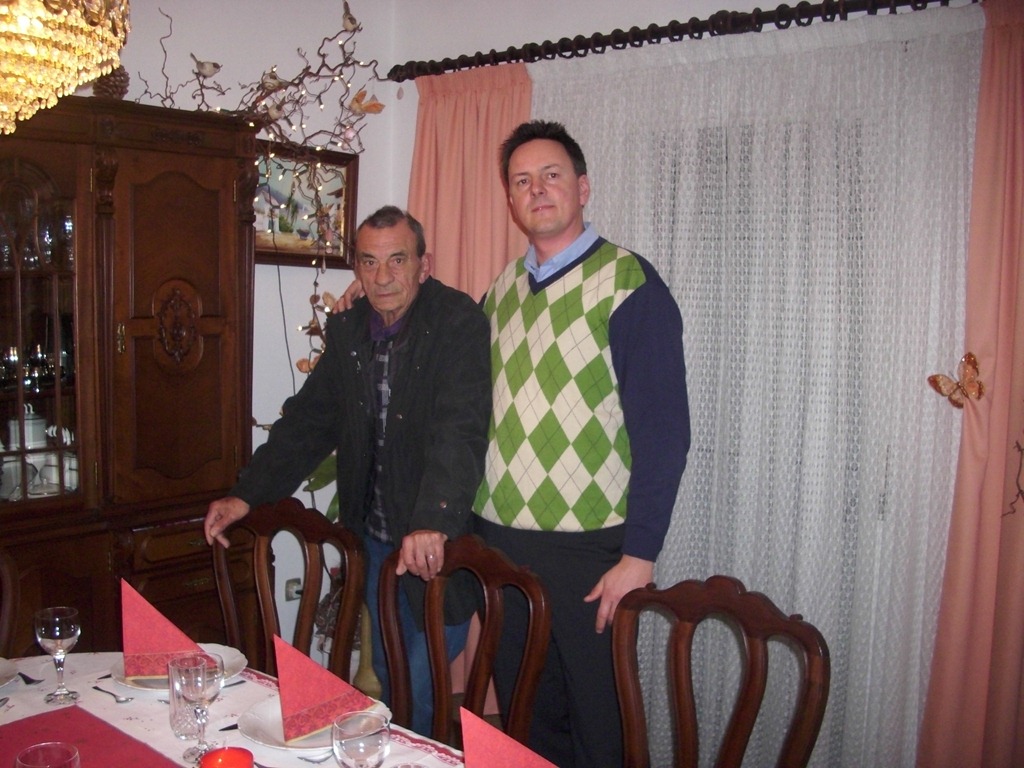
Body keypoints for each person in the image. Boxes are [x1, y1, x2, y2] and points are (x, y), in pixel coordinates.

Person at [203, 205, 491, 737]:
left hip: (439, 541)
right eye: (369, 262)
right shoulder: (350, 330)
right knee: (388, 672)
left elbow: (461, 428)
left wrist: (433, 519)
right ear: (356, 267)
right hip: (376, 542)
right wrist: (246, 495)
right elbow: (309, 422)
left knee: (421, 686)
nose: (382, 277)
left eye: (397, 260)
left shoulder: (457, 322)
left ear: (424, 264)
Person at [472, 120, 691, 767]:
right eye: (522, 181)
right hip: (499, 543)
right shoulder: (500, 292)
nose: (537, 190)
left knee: (600, 721)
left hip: (589, 551)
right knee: (526, 715)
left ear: (583, 187)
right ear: (510, 200)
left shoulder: (629, 283)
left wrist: (640, 554)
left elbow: (665, 431)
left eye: (552, 175)